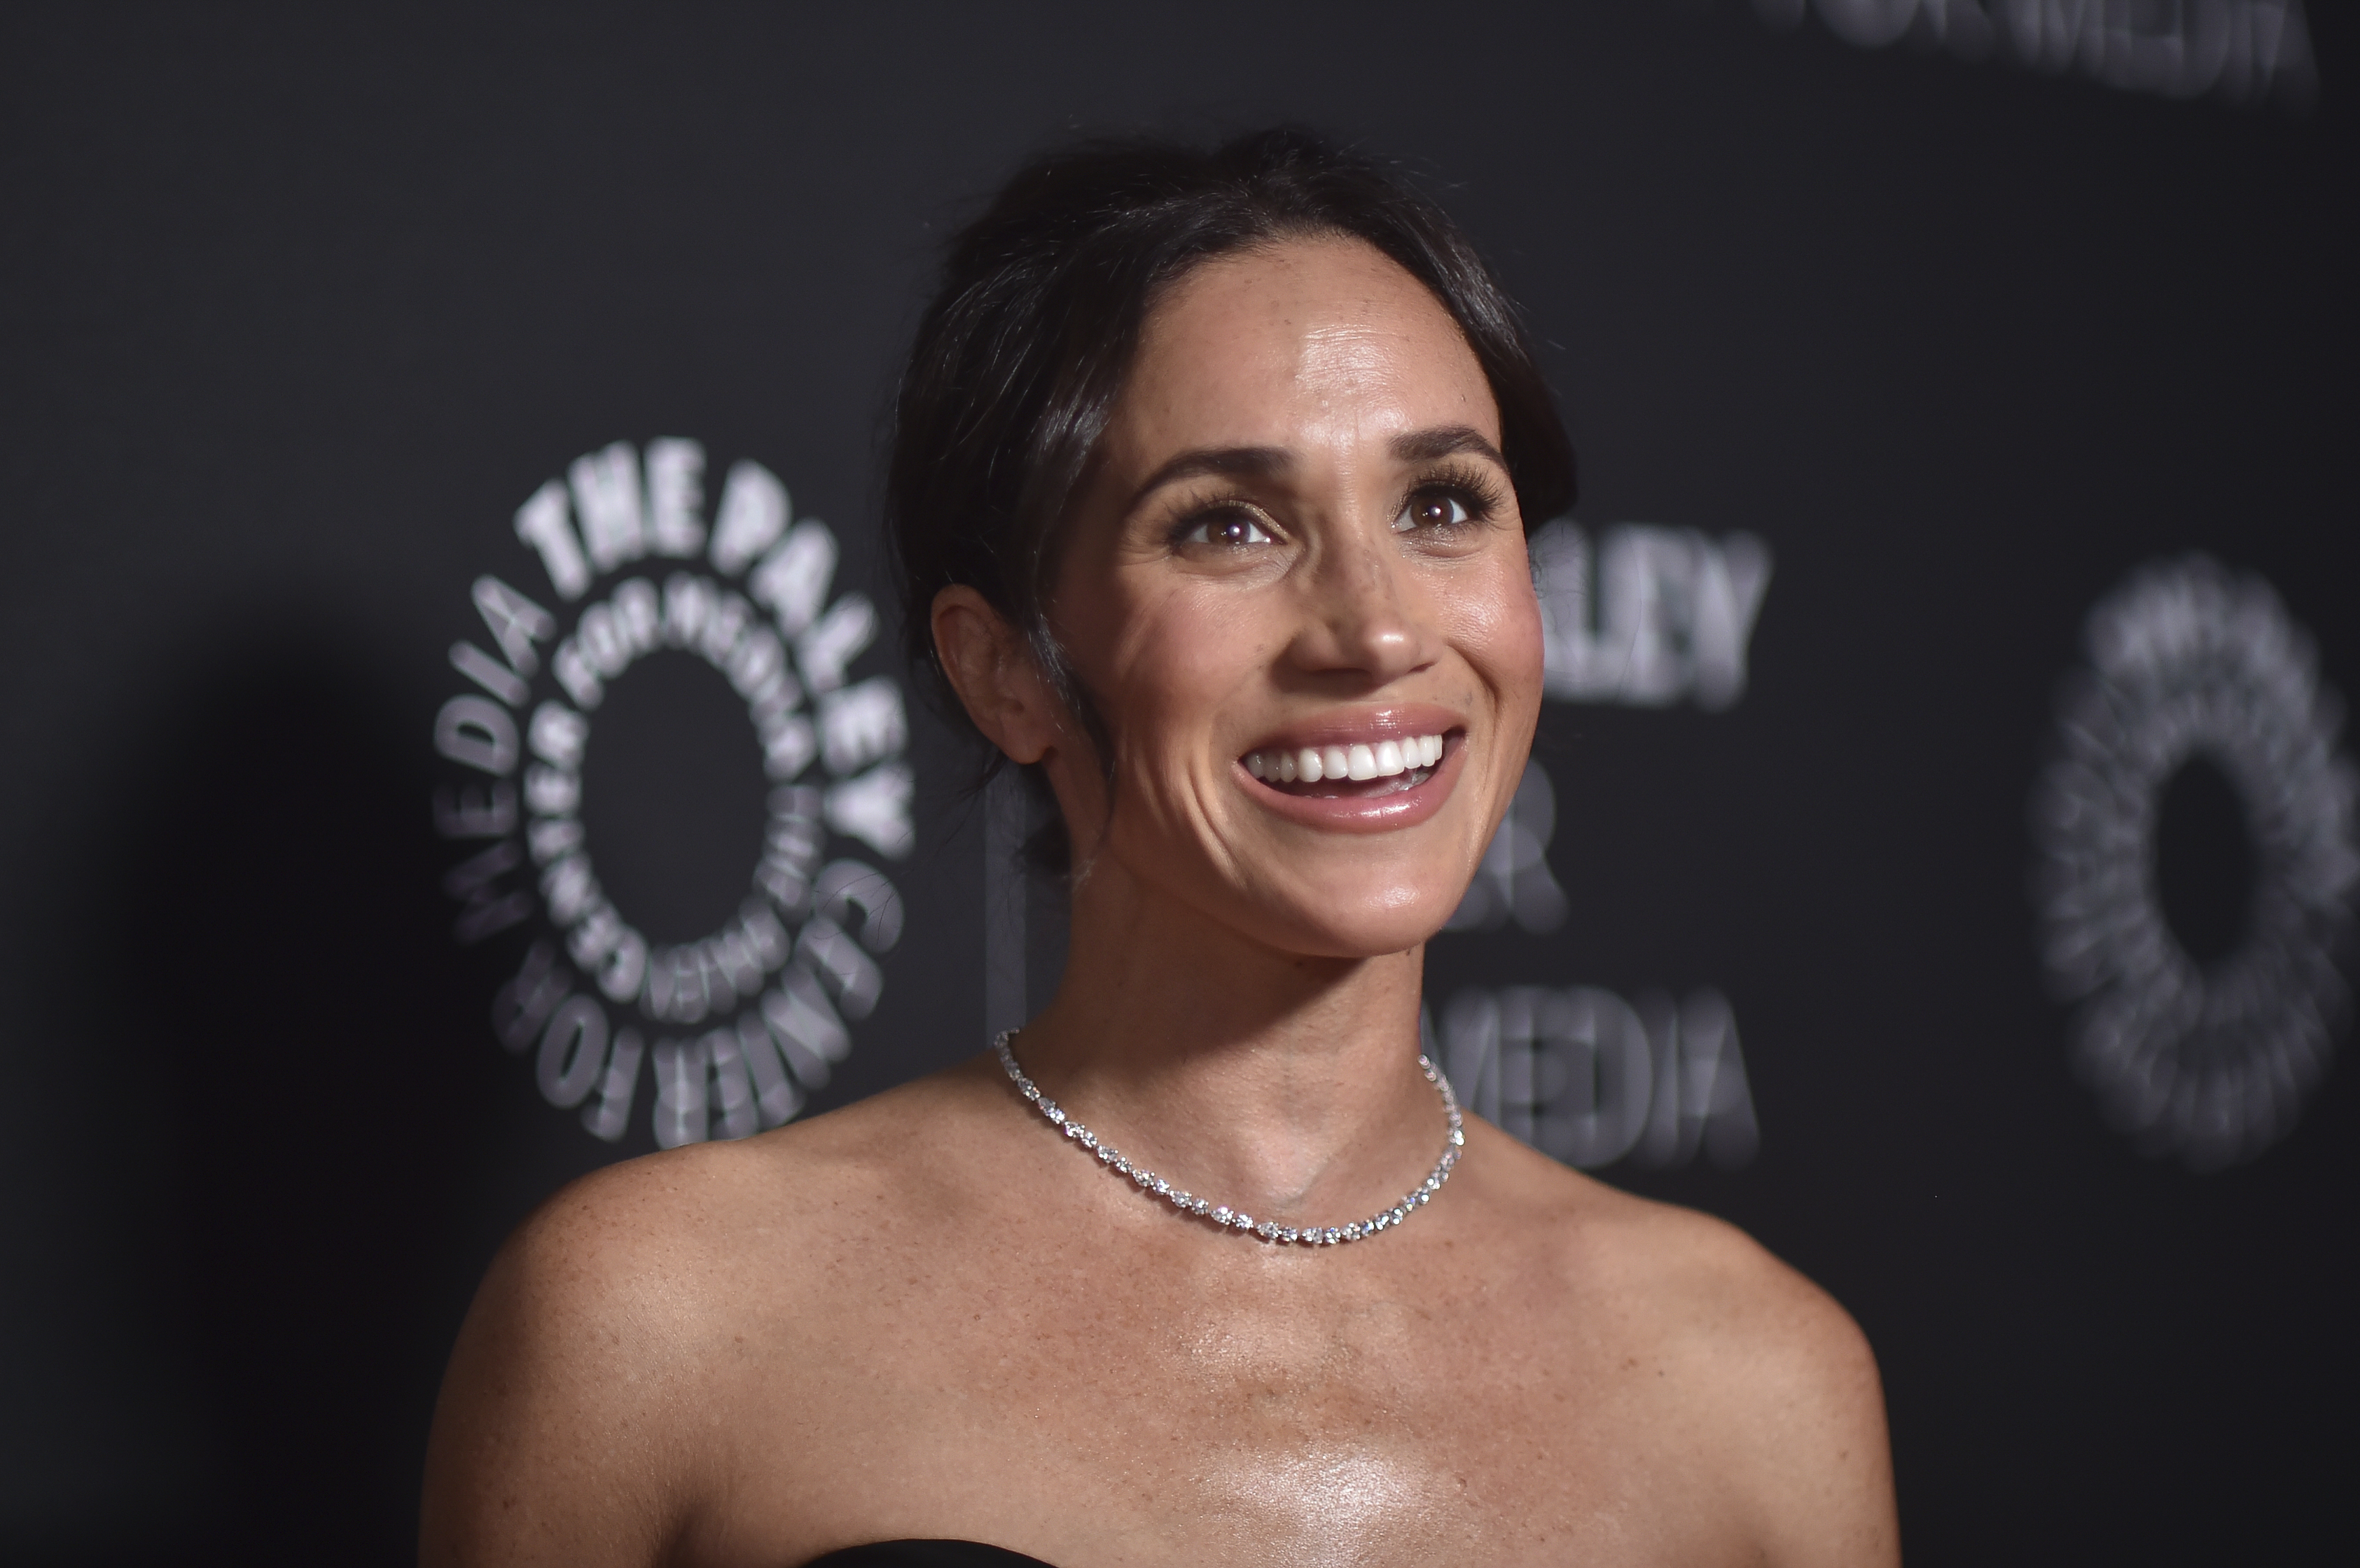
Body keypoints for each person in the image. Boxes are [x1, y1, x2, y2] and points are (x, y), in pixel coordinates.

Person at [419, 127, 1899, 1567]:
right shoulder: (656, 1321)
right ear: (1004, 667)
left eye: (1442, 502)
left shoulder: (1761, 1383)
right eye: (1225, 527)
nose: (1376, 629)